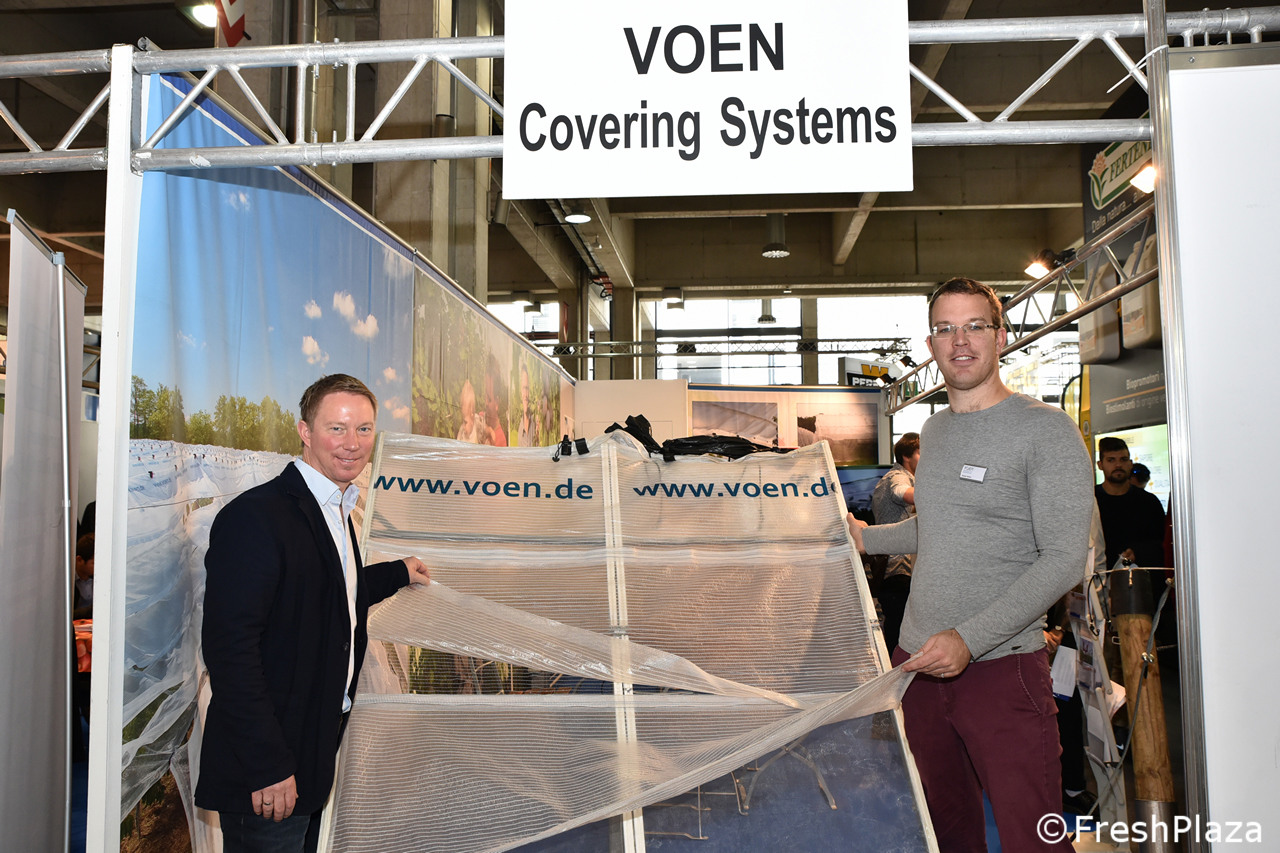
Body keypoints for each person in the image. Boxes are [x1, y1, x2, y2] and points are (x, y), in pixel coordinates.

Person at [847, 278, 1093, 852]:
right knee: (946, 828)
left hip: (1000, 668)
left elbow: (1064, 559)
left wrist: (969, 639)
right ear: (930, 344)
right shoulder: (936, 430)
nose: (960, 341)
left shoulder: (1044, 429)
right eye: (946, 328)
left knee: (1033, 836)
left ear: (1001, 336)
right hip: (917, 665)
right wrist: (865, 539)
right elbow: (937, 525)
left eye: (974, 326)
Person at [196, 374, 431, 853]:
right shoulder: (256, 517)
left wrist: (398, 572)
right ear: (305, 432)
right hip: (268, 771)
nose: (352, 443)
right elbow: (230, 652)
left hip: (311, 751)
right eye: (336, 428)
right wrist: (268, 764)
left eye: (364, 429)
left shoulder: (334, 508)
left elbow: (330, 592)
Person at [871, 432, 919, 653]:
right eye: (921, 453)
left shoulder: (897, 476)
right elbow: (901, 493)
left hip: (893, 568)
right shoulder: (898, 477)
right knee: (899, 631)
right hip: (896, 569)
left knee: (897, 627)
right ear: (906, 456)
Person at [1095, 437, 1165, 570]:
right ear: (1100, 465)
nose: (1118, 465)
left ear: (1130, 463)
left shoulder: (1148, 502)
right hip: (1098, 575)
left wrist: (1138, 552)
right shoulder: (1092, 501)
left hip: (1140, 576)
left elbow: (1160, 543)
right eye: (1111, 460)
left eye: (1123, 459)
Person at [517, 363, 535, 447]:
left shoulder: (536, 423)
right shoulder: (520, 431)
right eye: (524, 388)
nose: (526, 394)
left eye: (527, 388)